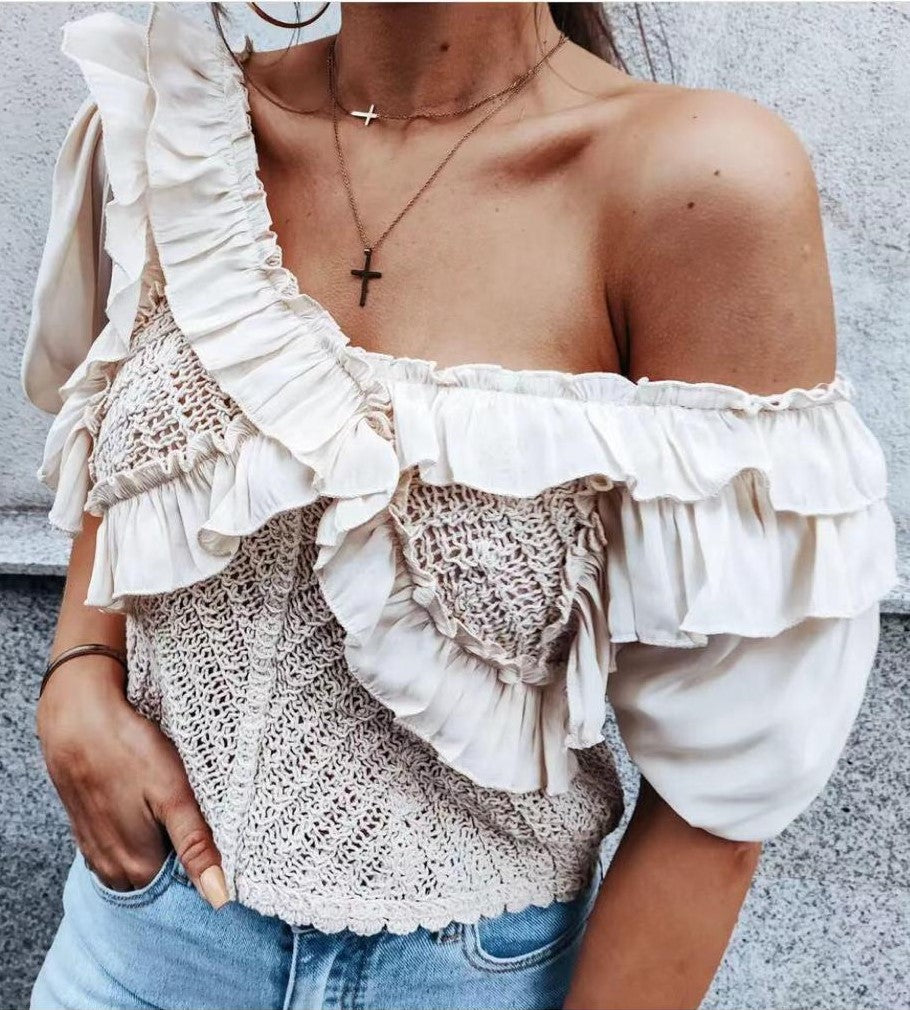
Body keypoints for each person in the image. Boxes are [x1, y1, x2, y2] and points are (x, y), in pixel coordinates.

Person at [20, 3, 897, 1009]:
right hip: (131, 952)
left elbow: (722, 798)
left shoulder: (699, 183)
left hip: (463, 976)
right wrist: (77, 671)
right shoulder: (184, 117)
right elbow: (126, 437)